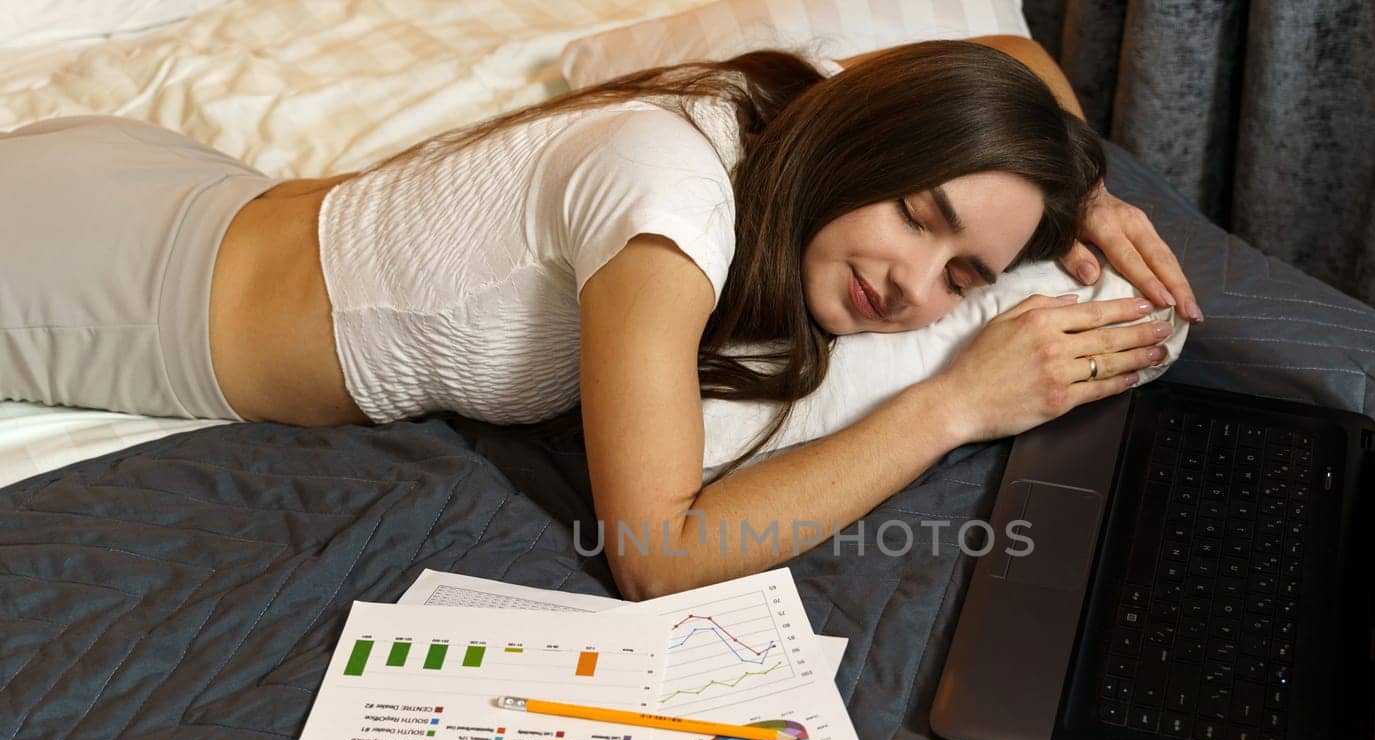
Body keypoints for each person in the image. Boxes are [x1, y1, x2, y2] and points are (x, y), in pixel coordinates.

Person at [0, 36, 1198, 599]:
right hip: (115, 293)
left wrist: (1075, 184)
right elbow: (655, 553)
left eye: (962, 277)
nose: (914, 280)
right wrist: (952, 402)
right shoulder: (669, 207)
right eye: (919, 211)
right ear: (869, 136)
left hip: (184, 189)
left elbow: (1000, 46)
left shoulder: (775, 124)